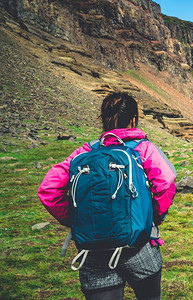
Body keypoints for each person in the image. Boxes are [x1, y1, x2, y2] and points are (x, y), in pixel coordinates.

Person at [38, 92, 177, 300]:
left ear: (103, 120)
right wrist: (152, 217)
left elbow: (48, 189)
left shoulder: (85, 152)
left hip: (92, 252)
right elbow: (166, 181)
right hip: (138, 246)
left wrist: (77, 219)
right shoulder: (143, 148)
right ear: (133, 119)